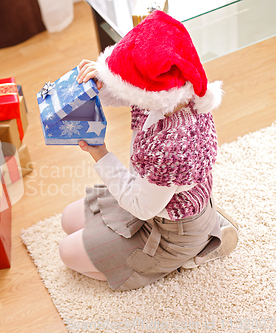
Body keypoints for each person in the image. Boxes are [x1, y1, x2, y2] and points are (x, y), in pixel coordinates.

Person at [58, 10, 239, 291]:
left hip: (171, 231)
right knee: (68, 219)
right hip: (155, 199)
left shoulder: (172, 146)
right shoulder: (175, 92)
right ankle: (208, 228)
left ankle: (194, 250)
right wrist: (100, 80)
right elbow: (126, 93)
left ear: (145, 90)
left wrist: (100, 154)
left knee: (67, 253)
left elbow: (142, 207)